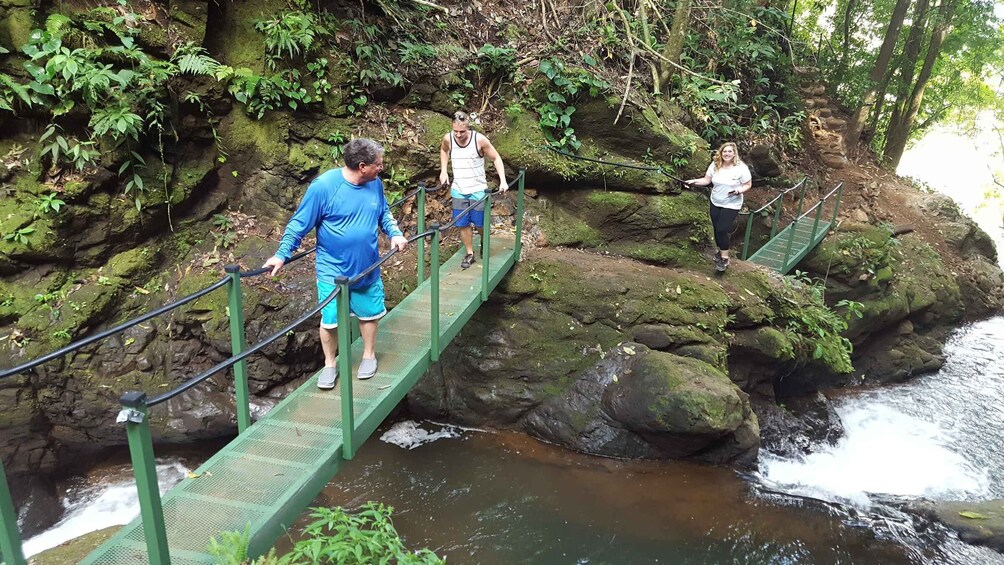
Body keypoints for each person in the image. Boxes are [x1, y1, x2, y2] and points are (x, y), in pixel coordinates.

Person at [263, 138, 408, 389]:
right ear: (362, 166)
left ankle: (368, 355)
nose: (381, 168)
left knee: (369, 313)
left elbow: (383, 212)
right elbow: (299, 224)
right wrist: (281, 254)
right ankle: (330, 364)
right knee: (330, 320)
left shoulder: (375, 185)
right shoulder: (324, 187)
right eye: (378, 165)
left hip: (367, 265)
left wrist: (394, 233)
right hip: (333, 269)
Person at [439, 111, 508, 269]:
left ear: (468, 127)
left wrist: (503, 180)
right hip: (458, 189)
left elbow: (496, 158)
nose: (458, 135)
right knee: (463, 224)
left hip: (478, 189)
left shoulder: (479, 140)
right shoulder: (448, 138)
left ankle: (484, 241)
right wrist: (443, 170)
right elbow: (443, 150)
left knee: (480, 223)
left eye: (462, 132)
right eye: (455, 131)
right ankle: (470, 254)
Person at [685, 142, 752, 272]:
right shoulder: (715, 165)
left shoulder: (741, 168)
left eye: (730, 152)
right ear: (721, 153)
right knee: (716, 229)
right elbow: (706, 180)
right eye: (724, 151)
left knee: (722, 229)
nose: (727, 154)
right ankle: (721, 251)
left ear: (734, 153)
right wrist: (693, 181)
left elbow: (748, 184)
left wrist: (738, 191)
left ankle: (725, 259)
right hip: (716, 201)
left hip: (732, 203)